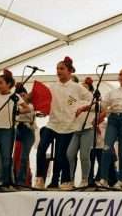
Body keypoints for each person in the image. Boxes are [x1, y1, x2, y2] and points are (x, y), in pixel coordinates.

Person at [35, 57, 92, 189]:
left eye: (61, 68)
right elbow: (47, 103)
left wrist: (83, 108)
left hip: (68, 126)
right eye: (57, 68)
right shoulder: (52, 87)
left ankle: (66, 181)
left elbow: (92, 99)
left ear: (69, 71)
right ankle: (40, 178)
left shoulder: (77, 87)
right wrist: (44, 111)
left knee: (61, 155)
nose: (58, 71)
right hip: (52, 124)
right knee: (41, 148)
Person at [67, 77, 98, 189]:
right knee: (70, 154)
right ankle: (70, 180)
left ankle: (85, 179)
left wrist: (84, 108)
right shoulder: (73, 98)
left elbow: (98, 107)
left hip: (88, 130)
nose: (81, 88)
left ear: (89, 90)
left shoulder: (91, 98)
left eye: (84, 87)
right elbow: (66, 107)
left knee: (84, 156)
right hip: (75, 130)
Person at [13, 83, 36, 187]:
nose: (22, 97)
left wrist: (18, 112)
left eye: (23, 95)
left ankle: (23, 181)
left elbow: (27, 113)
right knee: (16, 157)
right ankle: (15, 180)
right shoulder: (15, 106)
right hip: (17, 131)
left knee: (24, 157)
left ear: (27, 95)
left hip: (27, 131)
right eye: (20, 96)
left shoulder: (31, 106)